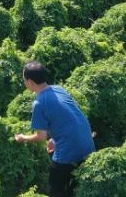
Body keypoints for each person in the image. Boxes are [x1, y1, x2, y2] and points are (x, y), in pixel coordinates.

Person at [14, 61, 95, 197]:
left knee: (56, 186)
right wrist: (55, 139)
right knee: (77, 185)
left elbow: (40, 137)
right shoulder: (59, 89)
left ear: (30, 81)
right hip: (88, 144)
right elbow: (68, 117)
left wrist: (23, 138)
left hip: (69, 152)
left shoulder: (39, 103)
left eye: (24, 79)